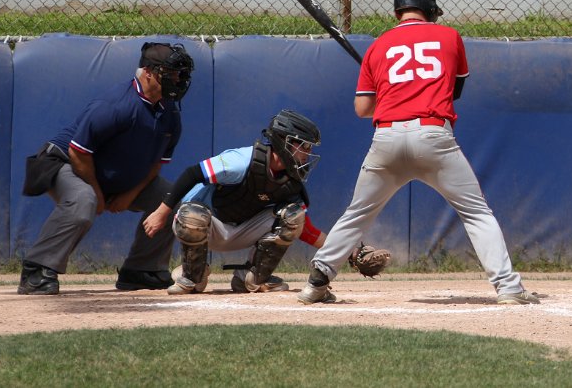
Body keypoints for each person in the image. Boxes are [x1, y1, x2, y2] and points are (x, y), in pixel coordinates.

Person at [298, 0, 539, 305]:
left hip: (386, 138)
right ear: (429, 9)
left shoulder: (378, 47)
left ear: (398, 10)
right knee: (477, 214)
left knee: (357, 214)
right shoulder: (449, 36)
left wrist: (389, 93)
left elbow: (362, 109)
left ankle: (316, 283)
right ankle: (508, 288)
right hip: (433, 136)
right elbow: (452, 92)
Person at [143, 109, 391, 294]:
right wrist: (162, 212)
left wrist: (349, 252)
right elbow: (192, 174)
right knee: (192, 215)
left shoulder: (290, 182)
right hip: (208, 225)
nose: (307, 154)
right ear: (286, 142)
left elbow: (305, 230)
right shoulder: (242, 161)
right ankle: (192, 275)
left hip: (241, 229)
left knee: (293, 216)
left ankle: (251, 278)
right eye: (304, 147)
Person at [17, 42, 195, 295]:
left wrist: (129, 195)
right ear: (147, 72)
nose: (177, 80)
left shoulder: (170, 113)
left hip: (112, 175)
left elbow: (156, 164)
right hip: (65, 162)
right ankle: (37, 270)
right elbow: (79, 152)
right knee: (83, 201)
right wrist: (98, 194)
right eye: (170, 73)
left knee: (172, 201)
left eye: (179, 74)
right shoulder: (117, 104)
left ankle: (142, 270)